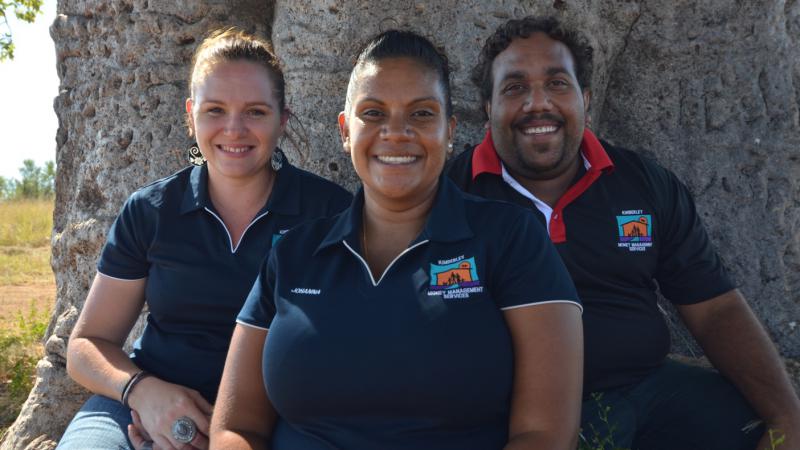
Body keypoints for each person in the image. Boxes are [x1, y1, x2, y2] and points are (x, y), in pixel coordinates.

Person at [210, 30, 584, 450]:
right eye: (373, 113)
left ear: (449, 130)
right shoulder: (294, 254)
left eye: (422, 114)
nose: (396, 132)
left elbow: (546, 435)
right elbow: (236, 427)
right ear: (345, 130)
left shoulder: (512, 239)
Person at [446, 15, 800, 450]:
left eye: (557, 83)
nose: (538, 103)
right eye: (514, 87)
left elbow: (714, 309)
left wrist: (786, 417)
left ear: (586, 98)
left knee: (767, 430)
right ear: (487, 107)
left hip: (649, 391)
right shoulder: (451, 198)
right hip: (523, 415)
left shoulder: (644, 183)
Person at [57, 28, 352, 450]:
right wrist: (142, 392)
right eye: (215, 110)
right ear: (191, 115)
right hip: (146, 400)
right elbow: (86, 347)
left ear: (282, 120)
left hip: (279, 416)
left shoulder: (328, 213)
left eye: (255, 112)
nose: (234, 129)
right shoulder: (150, 211)